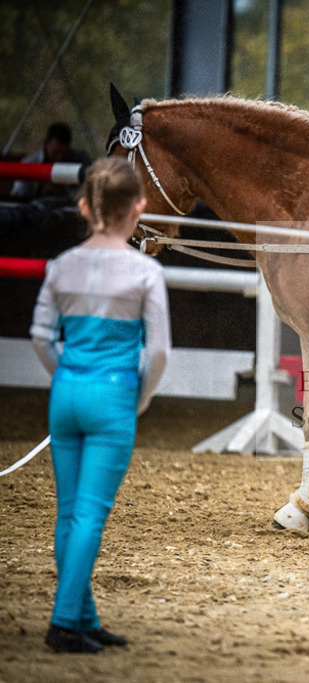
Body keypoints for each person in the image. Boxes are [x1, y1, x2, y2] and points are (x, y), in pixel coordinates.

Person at [31, 157, 171, 652]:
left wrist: (65, 375)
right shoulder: (145, 271)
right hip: (113, 393)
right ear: (138, 207)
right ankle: (65, 620)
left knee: (69, 511)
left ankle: (83, 616)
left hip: (67, 389)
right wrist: (142, 394)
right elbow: (158, 351)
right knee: (91, 512)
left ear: (86, 206)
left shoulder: (60, 266)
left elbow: (42, 336)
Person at [11, 122, 92, 201]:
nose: (59, 158)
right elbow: (18, 196)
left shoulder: (79, 159)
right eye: (54, 153)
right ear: (46, 143)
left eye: (64, 153)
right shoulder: (30, 164)